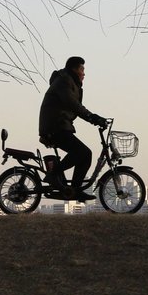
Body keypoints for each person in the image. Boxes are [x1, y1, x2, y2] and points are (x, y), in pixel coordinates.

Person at [38, 56, 108, 202]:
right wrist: (92, 117)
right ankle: (53, 174)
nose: (84, 73)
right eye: (82, 69)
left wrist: (93, 118)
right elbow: (73, 104)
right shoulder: (64, 81)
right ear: (74, 69)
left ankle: (75, 190)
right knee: (82, 152)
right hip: (55, 126)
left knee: (84, 154)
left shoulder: (70, 82)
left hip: (60, 125)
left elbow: (75, 106)